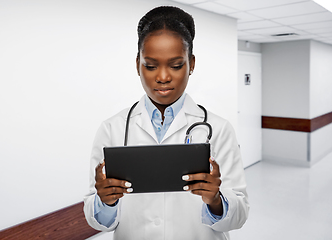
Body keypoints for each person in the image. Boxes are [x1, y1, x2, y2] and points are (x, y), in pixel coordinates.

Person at [83, 6, 249, 240]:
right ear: (137, 63)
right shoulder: (112, 128)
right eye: (150, 66)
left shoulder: (219, 129)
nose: (162, 77)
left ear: (191, 64)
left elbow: (239, 214)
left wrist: (216, 200)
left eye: (176, 65)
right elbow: (99, 221)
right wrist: (105, 201)